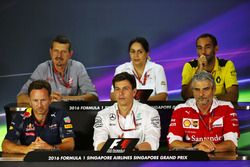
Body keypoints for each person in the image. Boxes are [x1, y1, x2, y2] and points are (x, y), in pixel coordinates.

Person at [167, 71, 240, 153]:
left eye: (206, 89)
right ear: (192, 91)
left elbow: (232, 144)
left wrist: (206, 149)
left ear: (214, 90)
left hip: (219, 160)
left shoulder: (227, 108)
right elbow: (172, 143)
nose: (201, 94)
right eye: (197, 90)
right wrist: (195, 147)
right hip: (192, 161)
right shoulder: (180, 109)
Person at [17, 35, 98, 104]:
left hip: (73, 114)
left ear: (70, 54)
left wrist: (63, 99)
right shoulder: (43, 68)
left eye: (63, 52)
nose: (59, 55)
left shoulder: (78, 67)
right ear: (51, 52)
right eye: (56, 51)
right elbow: (20, 97)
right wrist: (45, 100)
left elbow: (93, 96)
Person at [2, 80, 75, 154]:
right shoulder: (21, 117)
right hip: (30, 162)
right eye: (35, 100)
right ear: (30, 101)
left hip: (54, 161)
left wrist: (51, 148)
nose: (39, 105)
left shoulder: (61, 114)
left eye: (43, 100)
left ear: (50, 100)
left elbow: (70, 144)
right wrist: (26, 149)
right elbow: (5, 145)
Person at [94, 72, 161, 151]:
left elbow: (152, 143)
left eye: (125, 88)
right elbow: (99, 144)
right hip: (111, 161)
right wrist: (125, 149)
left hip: (140, 161)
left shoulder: (151, 113)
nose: (121, 93)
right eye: (117, 89)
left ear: (134, 92)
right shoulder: (102, 115)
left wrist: (128, 150)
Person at [181, 33, 238, 103]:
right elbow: (185, 95)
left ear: (216, 49)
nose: (203, 52)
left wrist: (208, 99)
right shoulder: (189, 66)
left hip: (220, 109)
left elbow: (233, 96)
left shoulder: (226, 65)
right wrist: (198, 71)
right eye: (199, 48)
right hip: (196, 110)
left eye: (207, 47)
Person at [110, 37, 168, 101]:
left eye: (140, 52)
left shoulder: (157, 69)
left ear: (147, 53)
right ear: (129, 53)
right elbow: (113, 96)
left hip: (152, 109)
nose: (136, 55)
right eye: (133, 52)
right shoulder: (121, 69)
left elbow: (162, 96)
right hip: (127, 109)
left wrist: (138, 102)